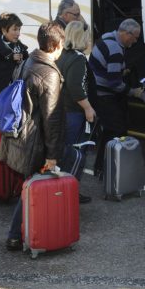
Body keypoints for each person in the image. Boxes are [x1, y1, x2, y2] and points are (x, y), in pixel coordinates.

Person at [0, 21, 65, 251]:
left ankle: (20, 234)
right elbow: (51, 117)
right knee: (33, 187)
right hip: (34, 142)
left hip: (19, 136)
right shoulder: (49, 74)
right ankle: (17, 234)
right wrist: (53, 155)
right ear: (57, 45)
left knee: (30, 187)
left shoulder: (28, 61)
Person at [88, 18, 143, 177]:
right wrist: (134, 92)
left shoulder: (109, 37)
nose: (136, 41)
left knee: (110, 131)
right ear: (127, 34)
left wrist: (121, 70)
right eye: (135, 37)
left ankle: (101, 167)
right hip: (104, 94)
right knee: (117, 130)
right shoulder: (115, 48)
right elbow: (114, 83)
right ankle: (108, 169)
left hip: (96, 91)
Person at [56, 21, 95, 204]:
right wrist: (88, 108)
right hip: (74, 113)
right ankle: (69, 190)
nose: (89, 40)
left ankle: (62, 189)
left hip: (63, 111)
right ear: (81, 37)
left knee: (65, 152)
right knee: (76, 152)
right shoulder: (78, 58)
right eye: (87, 37)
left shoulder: (64, 55)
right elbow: (76, 87)